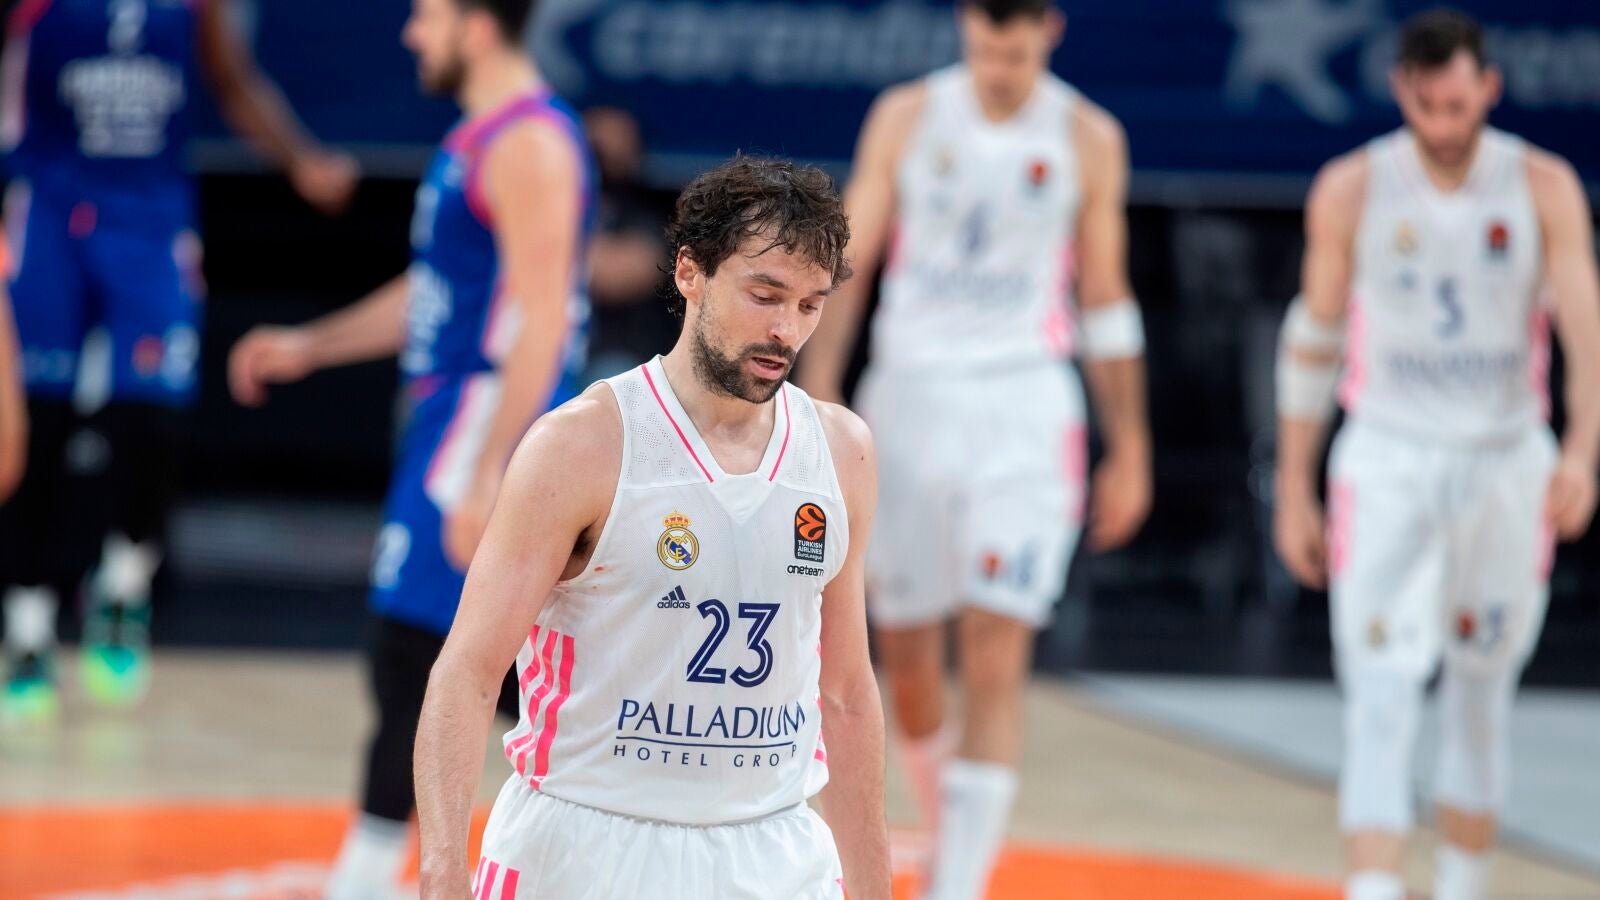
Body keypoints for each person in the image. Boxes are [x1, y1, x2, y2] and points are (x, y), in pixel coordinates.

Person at [413, 156, 891, 900]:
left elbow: (848, 695)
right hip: (587, 847)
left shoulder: (841, 452)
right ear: (690, 272)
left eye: (809, 305)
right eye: (764, 294)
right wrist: (443, 871)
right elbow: (468, 674)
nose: (785, 328)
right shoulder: (580, 445)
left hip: (773, 850)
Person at [227, 0, 591, 894]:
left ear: (477, 26)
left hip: (483, 428)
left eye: (426, 15)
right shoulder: (476, 137)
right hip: (451, 424)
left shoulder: (529, 142)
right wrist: (312, 345)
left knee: (422, 660)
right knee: (441, 663)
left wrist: (493, 470)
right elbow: (438, 292)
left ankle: (374, 876)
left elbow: (544, 319)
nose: (410, 34)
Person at [797, 1, 1152, 895]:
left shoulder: (1087, 136)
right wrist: (820, 394)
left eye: (1017, 51)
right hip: (911, 396)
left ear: (1049, 30)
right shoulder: (909, 115)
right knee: (908, 659)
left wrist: (1131, 445)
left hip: (1025, 402)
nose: (1001, 68)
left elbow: (1106, 294)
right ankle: (948, 830)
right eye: (989, 49)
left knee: (996, 644)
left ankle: (958, 881)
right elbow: (850, 262)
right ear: (965, 27)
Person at [1273, 10, 1600, 900]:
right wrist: (1294, 486)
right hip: (1388, 457)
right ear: (1400, 92)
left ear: (1489, 88)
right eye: (1426, 106)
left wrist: (1582, 450)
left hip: (1503, 459)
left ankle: (1462, 886)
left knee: (1481, 697)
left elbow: (1584, 333)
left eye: (1458, 106)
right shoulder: (1353, 188)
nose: (1443, 125)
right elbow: (1313, 341)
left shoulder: (1542, 186)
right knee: (1378, 695)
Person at [0, 0, 358, 721]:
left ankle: (123, 585)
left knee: (153, 417)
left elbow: (232, 80)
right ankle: (27, 625)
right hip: (49, 210)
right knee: (34, 425)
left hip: (149, 218)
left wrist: (300, 159)